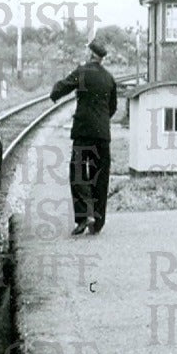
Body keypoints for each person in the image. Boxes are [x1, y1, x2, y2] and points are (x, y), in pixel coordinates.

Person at [50, 40, 118, 235]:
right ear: (101, 58)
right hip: (103, 135)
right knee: (100, 176)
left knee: (78, 173)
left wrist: (54, 93)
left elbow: (64, 86)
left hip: (83, 132)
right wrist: (102, 121)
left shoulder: (82, 72)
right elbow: (113, 107)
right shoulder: (109, 78)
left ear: (90, 54)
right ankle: (97, 222)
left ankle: (84, 216)